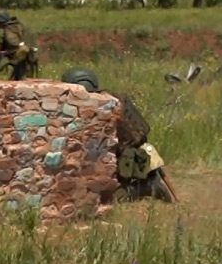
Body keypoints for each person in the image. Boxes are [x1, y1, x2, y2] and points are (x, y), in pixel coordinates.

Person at [60, 67, 177, 204]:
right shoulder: (104, 102)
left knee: (104, 198)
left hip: (124, 159)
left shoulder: (112, 103)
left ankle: (147, 188)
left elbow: (139, 133)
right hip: (112, 158)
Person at [0, 9, 39, 80]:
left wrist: (6, 54)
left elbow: (16, 45)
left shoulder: (9, 30)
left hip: (22, 63)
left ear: (0, 20)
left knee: (20, 84)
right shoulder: (18, 26)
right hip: (29, 60)